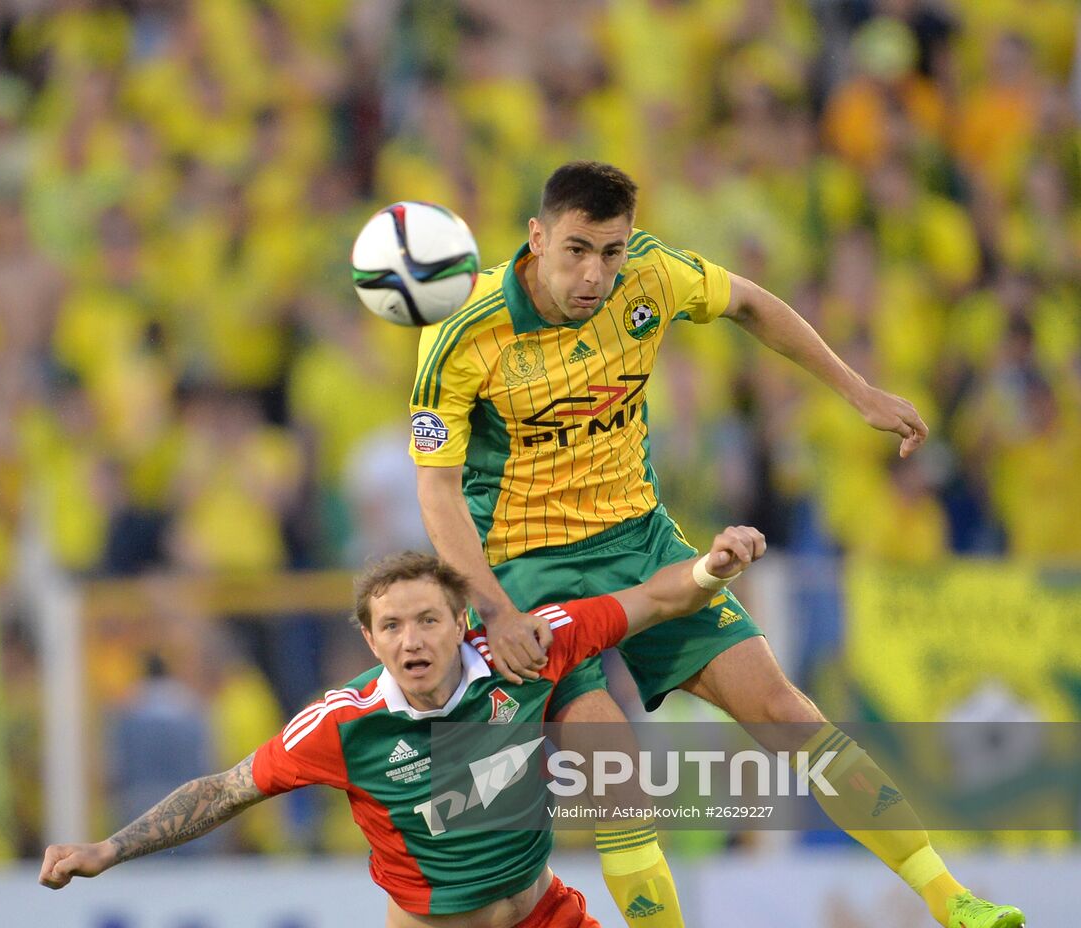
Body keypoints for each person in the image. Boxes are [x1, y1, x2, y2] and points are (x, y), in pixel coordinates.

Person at [409, 160, 1023, 928]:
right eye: (576, 250)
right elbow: (437, 491)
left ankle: (951, 899)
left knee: (785, 711)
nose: (595, 274)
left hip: (639, 540)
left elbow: (753, 303)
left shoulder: (652, 275)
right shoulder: (462, 330)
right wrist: (496, 611)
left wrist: (858, 390)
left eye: (612, 251)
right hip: (526, 571)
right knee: (614, 773)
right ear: (537, 238)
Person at [40, 525, 767, 927]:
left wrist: (711, 567)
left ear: (462, 620)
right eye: (391, 626)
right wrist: (107, 848)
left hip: (544, 914)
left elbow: (652, 600)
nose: (411, 641)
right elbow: (227, 789)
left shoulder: (524, 652)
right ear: (369, 638)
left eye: (427, 620)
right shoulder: (343, 723)